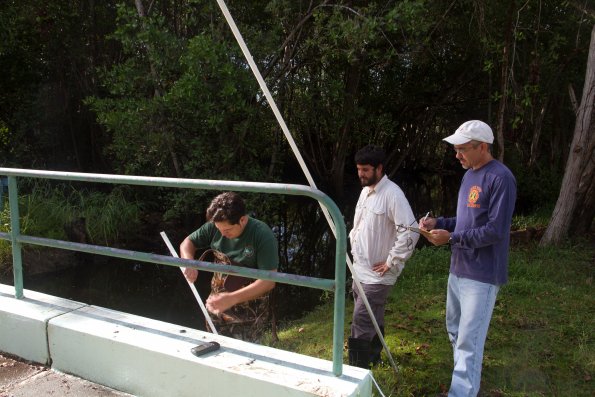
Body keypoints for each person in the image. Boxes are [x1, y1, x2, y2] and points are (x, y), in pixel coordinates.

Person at [419, 120, 516, 397]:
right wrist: (440, 222)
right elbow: (464, 222)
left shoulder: (501, 178)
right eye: (456, 149)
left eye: (462, 149)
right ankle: (465, 386)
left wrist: (451, 238)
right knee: (454, 330)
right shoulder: (469, 175)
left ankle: (461, 393)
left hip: (482, 274)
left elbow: (495, 230)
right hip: (459, 267)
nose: (457, 155)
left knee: (469, 341)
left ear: (482, 147)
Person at [348, 144, 419, 368]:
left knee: (361, 319)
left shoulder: (393, 194)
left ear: (379, 168)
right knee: (372, 316)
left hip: (378, 275)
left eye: (366, 170)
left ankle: (357, 369)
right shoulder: (365, 191)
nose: (361, 174)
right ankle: (374, 359)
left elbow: (411, 230)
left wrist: (392, 261)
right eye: (359, 169)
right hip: (360, 269)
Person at [179, 191, 278, 340]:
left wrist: (232, 298)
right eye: (219, 230)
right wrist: (188, 262)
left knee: (246, 350)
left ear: (243, 220)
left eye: (228, 230)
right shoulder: (215, 225)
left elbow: (269, 281)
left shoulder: (262, 235)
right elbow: (187, 243)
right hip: (217, 300)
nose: (223, 234)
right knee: (215, 342)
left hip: (250, 306)